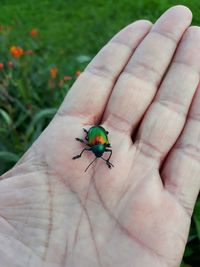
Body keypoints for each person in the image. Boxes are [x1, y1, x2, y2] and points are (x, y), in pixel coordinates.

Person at [0, 5, 199, 267]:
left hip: (97, 135)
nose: (97, 154)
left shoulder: (100, 146)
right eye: (100, 155)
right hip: (97, 135)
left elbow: (98, 144)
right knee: (88, 146)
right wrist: (98, 152)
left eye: (100, 154)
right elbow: (95, 144)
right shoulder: (98, 146)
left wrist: (102, 156)